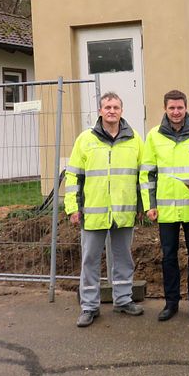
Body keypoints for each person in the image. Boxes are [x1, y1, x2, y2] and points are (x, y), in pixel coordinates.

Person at [65, 92, 145, 327]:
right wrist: (72, 207)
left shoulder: (134, 139)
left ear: (122, 110)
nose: (112, 111)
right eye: (107, 107)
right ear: (100, 111)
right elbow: (73, 176)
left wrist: (142, 206)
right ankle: (89, 307)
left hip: (123, 211)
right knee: (90, 260)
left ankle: (123, 299)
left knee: (123, 258)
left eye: (116, 107)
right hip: (93, 212)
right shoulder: (85, 139)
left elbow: (142, 176)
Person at [140, 89, 189, 322]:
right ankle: (171, 303)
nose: (176, 112)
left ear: (186, 108)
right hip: (165, 210)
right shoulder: (153, 136)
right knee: (168, 257)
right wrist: (148, 205)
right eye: (171, 108)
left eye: (180, 108)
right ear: (165, 109)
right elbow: (147, 174)